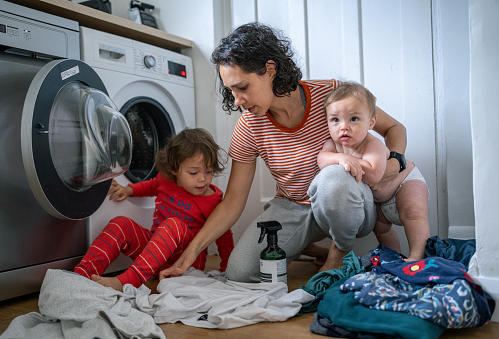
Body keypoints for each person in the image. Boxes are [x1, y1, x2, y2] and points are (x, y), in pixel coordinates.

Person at [159, 22, 407, 282]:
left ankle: (339, 252)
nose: (237, 101)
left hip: (350, 199)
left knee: (333, 177)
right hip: (294, 207)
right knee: (241, 272)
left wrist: (395, 162)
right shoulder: (249, 125)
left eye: (242, 87)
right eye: (231, 90)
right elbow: (233, 200)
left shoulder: (333, 94)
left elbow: (394, 128)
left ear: (269, 70)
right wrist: (191, 252)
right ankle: (313, 249)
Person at [74, 127, 233, 291]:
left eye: (209, 171)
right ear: (174, 169)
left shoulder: (211, 199)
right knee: (119, 224)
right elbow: (150, 186)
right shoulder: (165, 180)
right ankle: (81, 276)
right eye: (193, 173)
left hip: (187, 262)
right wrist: (129, 190)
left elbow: (223, 234)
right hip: (154, 256)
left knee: (173, 225)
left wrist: (228, 269)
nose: (203, 179)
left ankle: (127, 281)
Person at [318, 81, 430, 261]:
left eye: (353, 119)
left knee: (413, 214)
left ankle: (417, 255)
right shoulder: (334, 144)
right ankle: (393, 259)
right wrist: (340, 158)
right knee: (382, 229)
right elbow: (321, 159)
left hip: (405, 183)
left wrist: (349, 160)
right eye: (335, 120)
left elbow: (375, 174)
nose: (343, 126)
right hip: (380, 200)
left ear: (371, 122)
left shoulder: (373, 145)